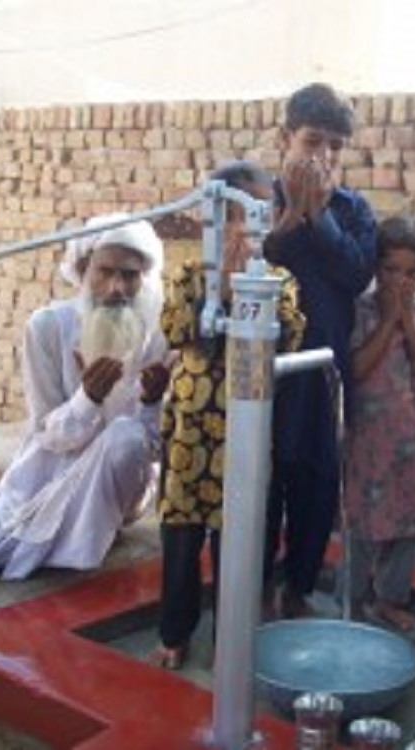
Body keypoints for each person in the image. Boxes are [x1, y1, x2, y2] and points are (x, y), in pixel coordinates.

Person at [0, 219, 171, 584]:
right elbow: (47, 434)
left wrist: (152, 403)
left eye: (129, 276)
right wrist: (88, 399)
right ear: (83, 270)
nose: (117, 288)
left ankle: (82, 531)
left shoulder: (155, 340)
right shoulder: (47, 327)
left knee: (125, 434)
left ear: (144, 279)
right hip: (42, 480)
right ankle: (71, 534)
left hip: (119, 490)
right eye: (105, 272)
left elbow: (149, 450)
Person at [150, 161, 305, 669]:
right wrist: (217, 291)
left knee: (238, 539)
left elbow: (287, 338)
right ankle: (174, 633)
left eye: (259, 213)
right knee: (181, 535)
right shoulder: (189, 277)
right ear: (214, 219)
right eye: (235, 215)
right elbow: (176, 331)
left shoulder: (279, 281)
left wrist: (245, 292)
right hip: (190, 430)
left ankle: (230, 642)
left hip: (246, 430)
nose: (245, 228)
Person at [262, 82, 378, 619]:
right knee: (262, 483)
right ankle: (254, 590)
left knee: (317, 485)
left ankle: (299, 590)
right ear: (284, 138)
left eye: (335, 145)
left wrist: (321, 217)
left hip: (325, 373)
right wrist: (293, 216)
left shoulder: (353, 210)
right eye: (312, 141)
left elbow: (356, 275)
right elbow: (253, 264)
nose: (324, 156)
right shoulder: (256, 200)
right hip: (263, 372)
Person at [343, 216, 415, 631]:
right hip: (365, 440)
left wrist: (407, 321)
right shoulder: (360, 309)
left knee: (406, 523)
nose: (401, 281)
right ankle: (352, 599)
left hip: (408, 441)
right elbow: (355, 369)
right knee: (361, 522)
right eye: (391, 269)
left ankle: (390, 598)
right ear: (375, 267)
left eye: (412, 273)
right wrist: (388, 321)